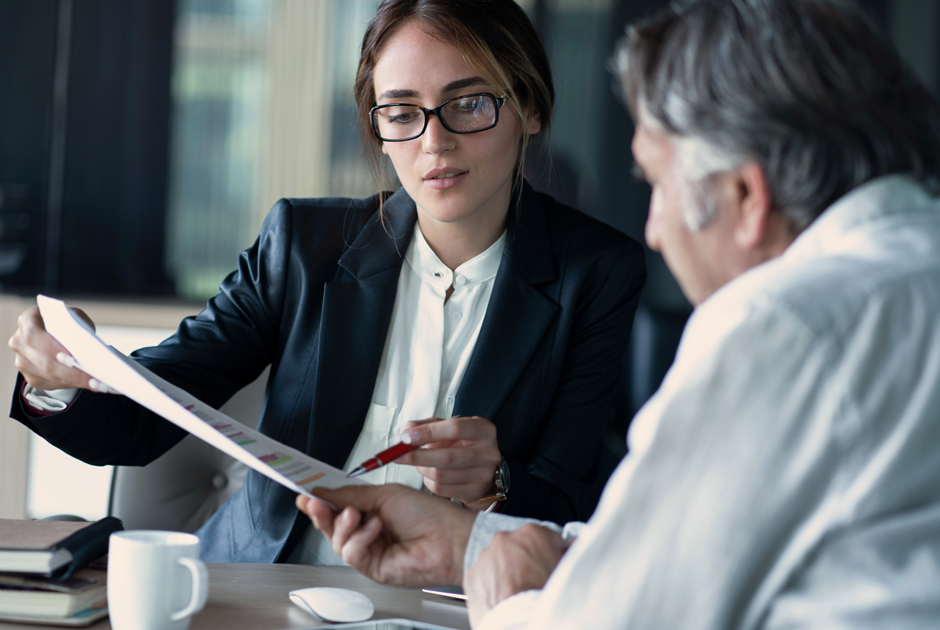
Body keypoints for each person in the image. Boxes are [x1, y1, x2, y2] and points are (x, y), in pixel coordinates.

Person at [295, 0, 940, 626]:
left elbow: (615, 618)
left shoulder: (781, 325)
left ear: (746, 195)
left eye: (657, 184)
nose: (654, 230)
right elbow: (685, 550)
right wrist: (474, 542)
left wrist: (504, 597)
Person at [7, 0, 645, 564]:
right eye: (401, 112)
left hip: (451, 607)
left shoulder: (596, 272)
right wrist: (57, 376)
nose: (435, 142)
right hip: (264, 591)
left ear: (529, 108)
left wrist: (496, 480)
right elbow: (142, 420)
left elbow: (571, 506)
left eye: (469, 104)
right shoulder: (302, 245)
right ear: (378, 128)